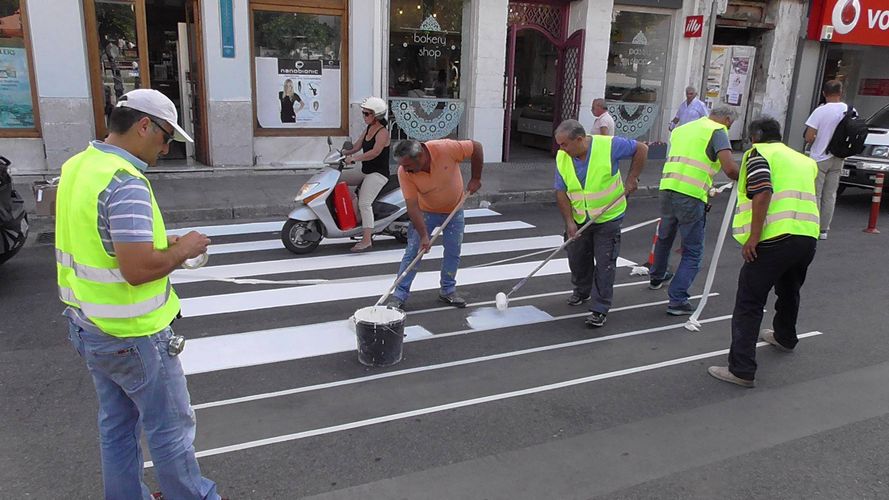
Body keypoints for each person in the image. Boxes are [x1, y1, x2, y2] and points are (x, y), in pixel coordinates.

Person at [56, 89, 223, 499]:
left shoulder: (78, 165)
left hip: (88, 325)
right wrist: (184, 249)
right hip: (134, 334)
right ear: (144, 126)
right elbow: (137, 270)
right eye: (166, 137)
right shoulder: (125, 181)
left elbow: (98, 242)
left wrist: (160, 242)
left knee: (116, 427)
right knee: (171, 431)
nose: (165, 149)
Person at [708, 117, 819, 388]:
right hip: (806, 235)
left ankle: (741, 369)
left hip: (774, 238)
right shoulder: (803, 160)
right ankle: (785, 336)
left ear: (755, 136)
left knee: (749, 301)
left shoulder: (758, 154)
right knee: (789, 289)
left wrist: (753, 238)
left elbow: (762, 193)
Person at [553, 119, 648, 328]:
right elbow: (561, 191)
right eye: (559, 144)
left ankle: (599, 308)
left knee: (605, 264)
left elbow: (641, 148)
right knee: (577, 258)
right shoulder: (563, 157)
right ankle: (582, 291)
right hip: (580, 218)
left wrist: (632, 178)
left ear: (579, 139)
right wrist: (569, 222)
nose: (561, 148)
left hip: (608, 217)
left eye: (564, 144)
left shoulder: (608, 146)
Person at [649, 107, 740, 315]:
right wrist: (746, 176)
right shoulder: (718, 131)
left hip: (667, 187)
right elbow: (730, 168)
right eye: (731, 124)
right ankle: (677, 299)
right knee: (693, 250)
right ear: (727, 119)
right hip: (691, 194)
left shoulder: (683, 129)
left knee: (665, 237)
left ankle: (657, 276)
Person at [386, 138, 484, 309]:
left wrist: (476, 178)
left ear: (420, 157)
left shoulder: (446, 148)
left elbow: (477, 147)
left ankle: (447, 290)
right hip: (426, 212)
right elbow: (412, 206)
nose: (404, 169)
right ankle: (399, 294)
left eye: (408, 165)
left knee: (453, 252)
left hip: (454, 210)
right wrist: (424, 235)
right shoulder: (404, 173)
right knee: (413, 252)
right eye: (402, 165)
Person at [340, 96, 392, 252]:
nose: (364, 116)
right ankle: (352, 214)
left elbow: (375, 153)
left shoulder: (383, 132)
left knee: (365, 203)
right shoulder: (369, 128)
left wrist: (354, 158)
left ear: (376, 115)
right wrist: (341, 153)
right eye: (363, 113)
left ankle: (367, 239)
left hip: (378, 174)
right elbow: (356, 146)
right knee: (338, 179)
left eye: (367, 113)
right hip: (365, 171)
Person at [804, 80, 848, 240]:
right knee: (830, 194)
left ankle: (813, 226)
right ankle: (824, 230)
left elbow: (809, 137)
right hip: (839, 156)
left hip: (820, 157)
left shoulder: (820, 111)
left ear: (824, 93)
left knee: (816, 194)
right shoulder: (849, 109)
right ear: (841, 92)